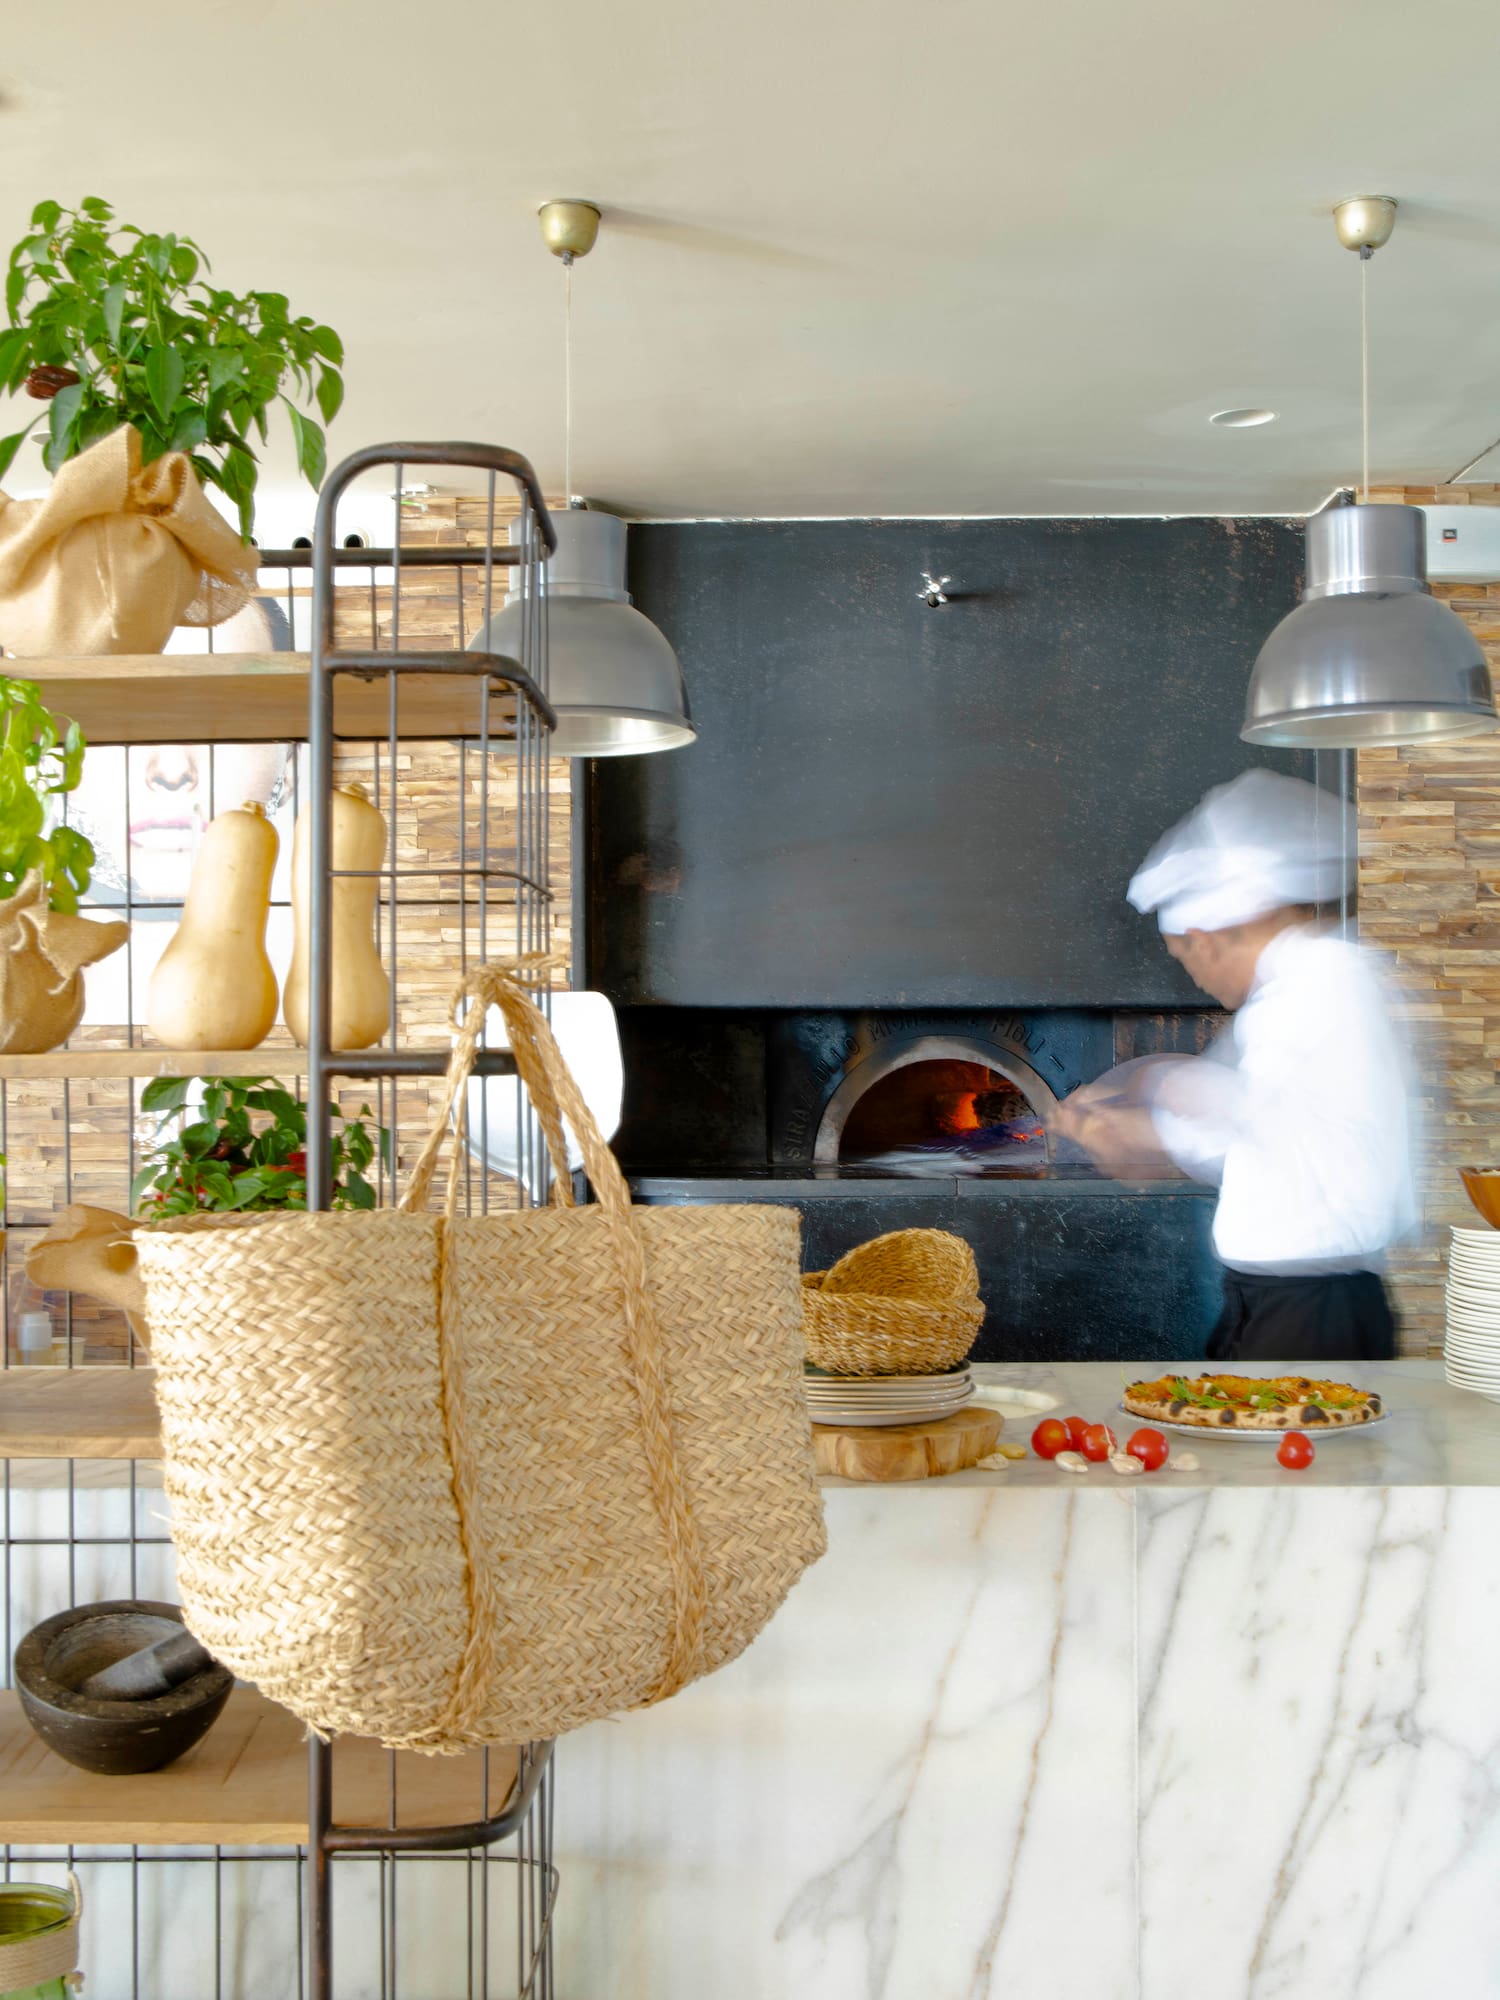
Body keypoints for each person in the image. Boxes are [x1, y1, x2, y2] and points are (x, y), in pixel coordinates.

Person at [1053, 769, 1417, 1364]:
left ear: (1206, 938)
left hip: (1316, 1309)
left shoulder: (1326, 980)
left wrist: (1160, 1082)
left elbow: (1257, 1111)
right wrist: (1127, 1136)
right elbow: (1248, 1140)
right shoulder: (1285, 992)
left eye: (1185, 958)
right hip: (1272, 1300)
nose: (1196, 978)